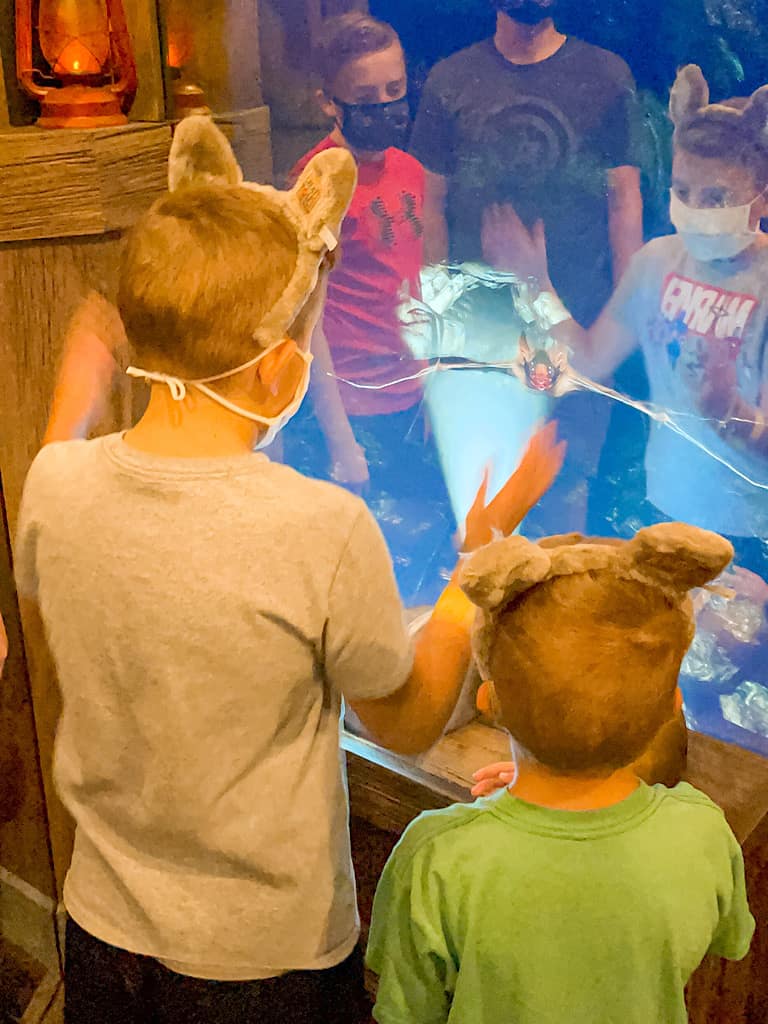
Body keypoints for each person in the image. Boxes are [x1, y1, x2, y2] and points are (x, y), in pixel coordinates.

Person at [15, 116, 564, 1023]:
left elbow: (55, 473)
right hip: (265, 962)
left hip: (103, 929)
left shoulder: (59, 484)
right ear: (277, 373)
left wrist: (81, 388)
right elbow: (412, 717)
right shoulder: (320, 527)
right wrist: (481, 554)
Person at [367, 523, 755, 1024]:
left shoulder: (437, 855)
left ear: (490, 703)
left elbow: (406, 1009)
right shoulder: (702, 832)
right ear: (671, 710)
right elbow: (729, 939)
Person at [482, 64, 768, 581]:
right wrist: (533, 283)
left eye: (716, 198)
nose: (695, 209)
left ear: (762, 196)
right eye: (683, 191)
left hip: (750, 533)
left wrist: (727, 410)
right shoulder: (657, 262)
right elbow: (591, 358)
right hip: (666, 510)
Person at [407, 0, 644, 538]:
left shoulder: (605, 75)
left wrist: (623, 326)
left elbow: (623, 199)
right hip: (482, 330)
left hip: (574, 321)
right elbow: (432, 209)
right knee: (483, 493)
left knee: (567, 487)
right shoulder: (450, 80)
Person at [283, 12, 456, 604]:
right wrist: (339, 439)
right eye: (365, 98)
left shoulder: (409, 169)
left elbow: (425, 282)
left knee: (427, 561)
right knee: (368, 583)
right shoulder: (317, 183)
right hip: (354, 408)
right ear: (330, 102)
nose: (385, 107)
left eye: (395, 91)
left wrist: (436, 383)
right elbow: (308, 320)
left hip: (411, 397)